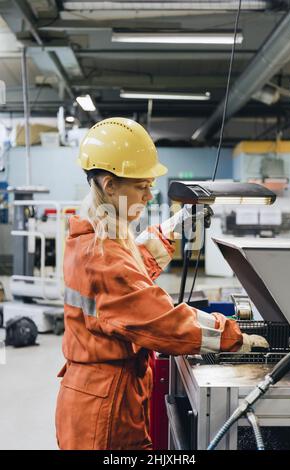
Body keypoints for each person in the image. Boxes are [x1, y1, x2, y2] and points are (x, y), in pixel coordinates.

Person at [55, 117, 268, 450]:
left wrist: (177, 225)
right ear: (110, 185)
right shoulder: (100, 254)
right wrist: (233, 337)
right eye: (142, 186)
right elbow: (163, 319)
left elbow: (134, 265)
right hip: (103, 409)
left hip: (101, 392)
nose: (149, 195)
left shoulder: (98, 234)